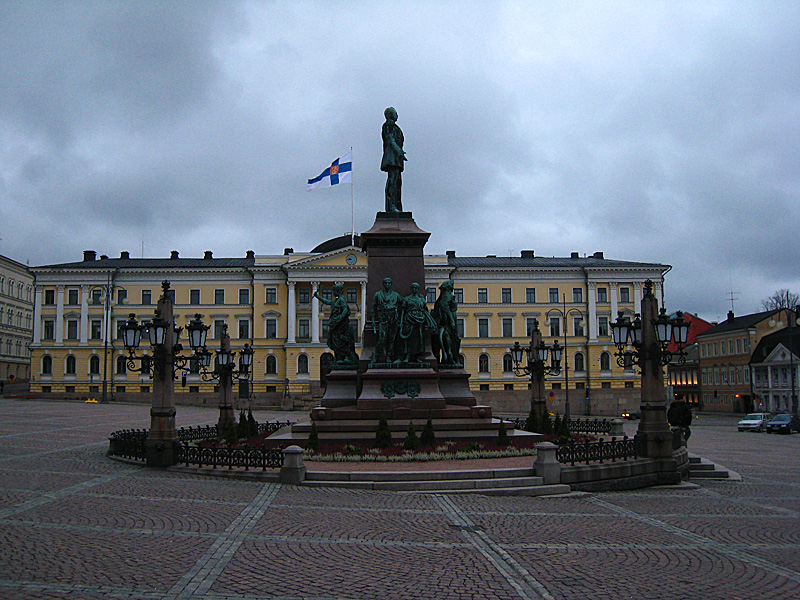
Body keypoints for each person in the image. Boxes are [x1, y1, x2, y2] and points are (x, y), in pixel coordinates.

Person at [314, 284, 358, 368]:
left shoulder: (342, 300)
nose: (333, 293)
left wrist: (340, 318)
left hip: (340, 325)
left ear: (338, 291)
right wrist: (317, 296)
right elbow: (326, 301)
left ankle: (345, 357)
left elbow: (345, 309)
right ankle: (339, 358)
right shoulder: (336, 301)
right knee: (335, 341)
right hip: (335, 325)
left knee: (340, 341)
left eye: (334, 291)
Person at [400, 283, 436, 363]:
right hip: (409, 318)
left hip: (420, 320)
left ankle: (417, 356)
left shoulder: (421, 299)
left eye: (416, 288)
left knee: (419, 338)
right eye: (413, 288)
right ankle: (408, 355)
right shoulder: (407, 299)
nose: (414, 289)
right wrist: (401, 321)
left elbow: (425, 309)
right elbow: (403, 311)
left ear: (418, 289)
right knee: (409, 338)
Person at [371, 277, 403, 364]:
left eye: (389, 283)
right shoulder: (378, 294)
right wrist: (373, 321)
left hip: (393, 318)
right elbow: (373, 308)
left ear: (391, 284)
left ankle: (389, 356)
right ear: (383, 284)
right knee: (381, 338)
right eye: (385, 283)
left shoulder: (395, 295)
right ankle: (377, 356)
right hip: (383, 318)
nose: (387, 285)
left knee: (391, 339)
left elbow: (404, 303)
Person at [381, 106, 406, 212]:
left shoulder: (394, 126)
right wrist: (398, 151)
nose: (397, 115)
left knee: (397, 182)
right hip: (392, 158)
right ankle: (391, 205)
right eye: (395, 113)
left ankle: (396, 204)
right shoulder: (389, 125)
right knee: (393, 181)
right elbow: (390, 140)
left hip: (396, 159)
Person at [430, 280, 461, 366]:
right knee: (451, 341)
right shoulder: (446, 297)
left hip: (445, 325)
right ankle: (450, 358)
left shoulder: (446, 297)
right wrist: (451, 320)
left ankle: (449, 358)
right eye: (451, 285)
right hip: (444, 325)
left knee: (452, 340)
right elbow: (445, 308)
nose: (452, 287)